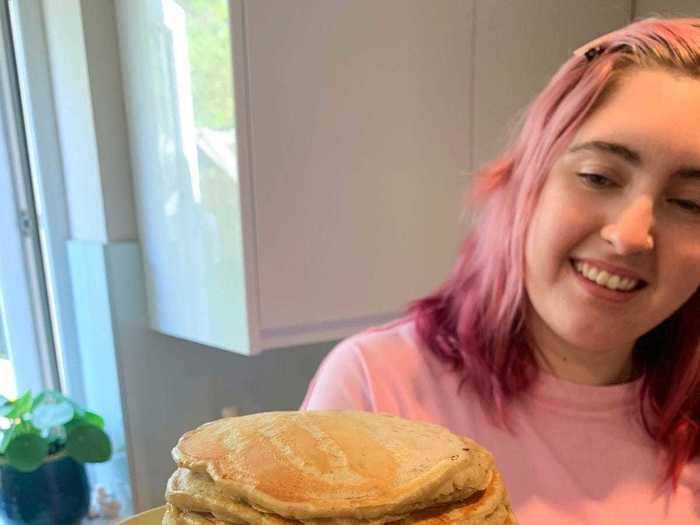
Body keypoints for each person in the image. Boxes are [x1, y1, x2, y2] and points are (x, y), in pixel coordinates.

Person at [301, 17, 700, 524]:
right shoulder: (375, 389)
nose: (629, 235)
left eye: (690, 204)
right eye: (598, 176)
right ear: (525, 182)